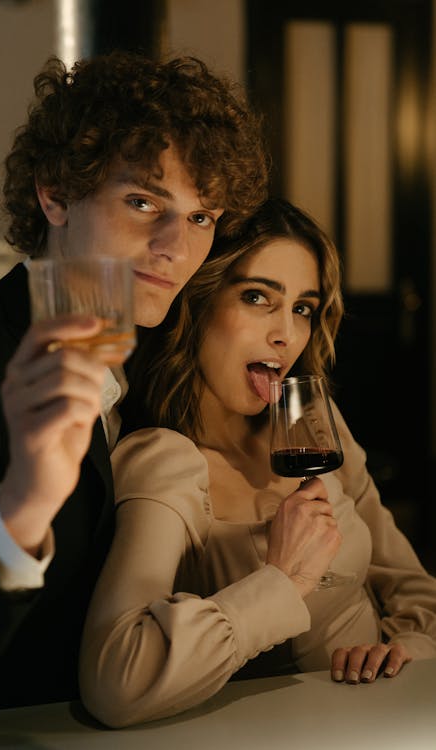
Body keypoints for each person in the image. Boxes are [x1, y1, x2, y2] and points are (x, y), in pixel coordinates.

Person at [0, 51, 268, 729]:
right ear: (55, 193)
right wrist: (23, 513)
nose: (175, 246)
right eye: (143, 202)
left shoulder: (162, 363)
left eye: (202, 216)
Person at [79, 197, 436, 728]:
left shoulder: (312, 423)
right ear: (196, 302)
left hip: (394, 723)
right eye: (256, 297)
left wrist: (409, 648)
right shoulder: (164, 459)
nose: (286, 335)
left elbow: (409, 582)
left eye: (302, 308)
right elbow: (115, 682)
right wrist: (284, 580)